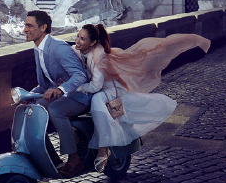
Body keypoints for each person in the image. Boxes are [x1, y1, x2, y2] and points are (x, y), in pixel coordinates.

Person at [73, 24, 210, 172]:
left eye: (82, 38)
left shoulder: (99, 56)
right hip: (107, 90)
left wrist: (79, 87)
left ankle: (103, 148)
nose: (78, 41)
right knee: (116, 116)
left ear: (93, 42)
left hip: (111, 91)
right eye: (78, 36)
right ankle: (104, 145)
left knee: (99, 103)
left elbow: (95, 86)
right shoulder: (80, 50)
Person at [24, 10, 91, 177]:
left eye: (29, 25)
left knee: (55, 109)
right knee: (33, 109)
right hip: (63, 95)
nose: (24, 29)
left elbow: (80, 75)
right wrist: (28, 95)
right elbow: (44, 85)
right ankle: (50, 157)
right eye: (25, 25)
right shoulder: (38, 48)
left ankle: (74, 159)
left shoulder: (58, 47)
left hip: (79, 95)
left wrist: (60, 89)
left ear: (43, 27)